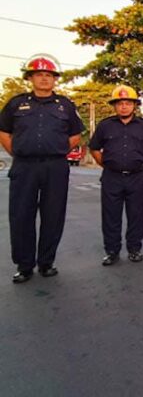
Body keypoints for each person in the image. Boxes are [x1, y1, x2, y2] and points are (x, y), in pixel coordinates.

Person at [0, 54, 84, 282]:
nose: (44, 79)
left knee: (53, 214)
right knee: (21, 215)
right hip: (24, 166)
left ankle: (46, 262)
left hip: (55, 166)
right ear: (30, 78)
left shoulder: (65, 105)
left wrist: (55, 149)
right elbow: (4, 133)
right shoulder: (17, 103)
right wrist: (17, 152)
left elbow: (75, 135)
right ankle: (24, 266)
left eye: (49, 75)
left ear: (55, 79)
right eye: (39, 75)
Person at [90, 85, 143, 266]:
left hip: (136, 176)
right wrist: (106, 164)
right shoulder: (105, 126)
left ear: (135, 105)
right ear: (115, 106)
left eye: (128, 103)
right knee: (111, 215)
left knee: (136, 215)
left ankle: (134, 249)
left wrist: (139, 160)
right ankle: (112, 251)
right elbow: (94, 148)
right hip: (112, 177)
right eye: (120, 103)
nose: (124, 106)